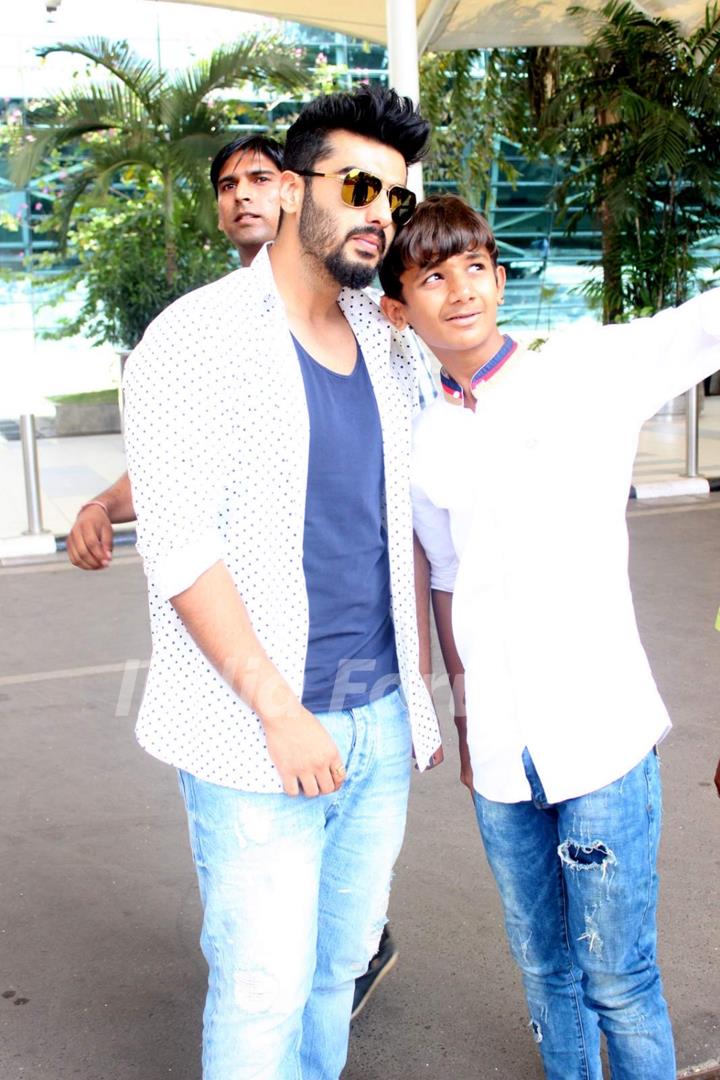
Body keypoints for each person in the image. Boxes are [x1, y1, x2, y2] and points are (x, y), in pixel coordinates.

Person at [65, 130, 430, 1016]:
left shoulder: (385, 344)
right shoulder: (193, 336)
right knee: (261, 996)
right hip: (257, 729)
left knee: (336, 979)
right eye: (358, 186)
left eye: (395, 198)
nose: (378, 212)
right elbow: (183, 534)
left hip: (379, 720)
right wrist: (279, 711)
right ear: (301, 193)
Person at [378, 193, 720, 1080]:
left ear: (499, 276)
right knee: (543, 972)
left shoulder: (583, 369)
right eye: (432, 277)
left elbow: (703, 323)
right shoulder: (428, 438)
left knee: (619, 978)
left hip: (601, 739)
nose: (460, 291)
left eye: (475, 268)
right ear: (400, 305)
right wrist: (463, 722)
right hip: (499, 758)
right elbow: (447, 580)